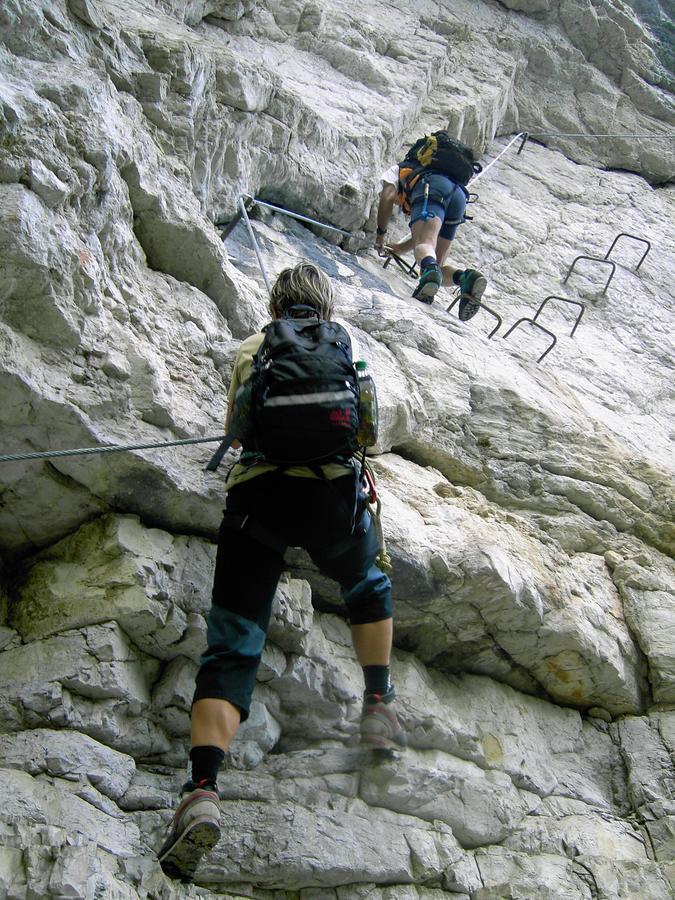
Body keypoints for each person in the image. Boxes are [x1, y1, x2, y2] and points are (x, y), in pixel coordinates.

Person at [157, 262, 406, 882]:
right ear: (324, 307)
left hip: (258, 504)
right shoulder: (349, 348)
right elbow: (368, 432)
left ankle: (203, 791)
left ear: (274, 307)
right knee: (368, 585)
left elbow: (237, 429)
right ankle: (377, 702)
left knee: (234, 643)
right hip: (331, 502)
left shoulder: (253, 348)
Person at [374, 142, 488, 320]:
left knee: (425, 248)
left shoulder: (398, 169)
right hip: (458, 197)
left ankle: (433, 271)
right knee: (434, 267)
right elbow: (428, 232)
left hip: (432, 187)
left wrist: (380, 235)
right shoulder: (442, 173)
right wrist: (401, 248)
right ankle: (465, 278)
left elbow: (387, 196)